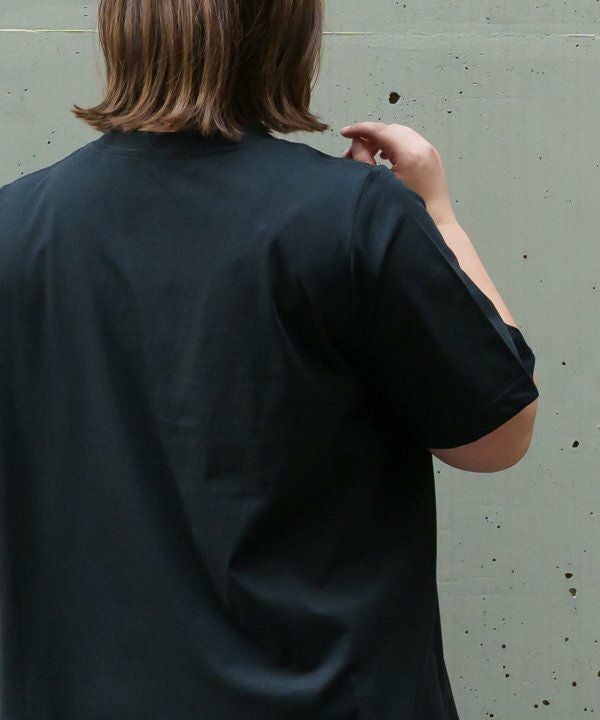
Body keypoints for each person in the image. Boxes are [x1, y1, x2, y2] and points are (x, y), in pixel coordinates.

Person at [0, 1, 539, 718]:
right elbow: (498, 434)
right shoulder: (352, 216)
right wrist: (436, 215)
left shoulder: (13, 227)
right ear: (285, 32)